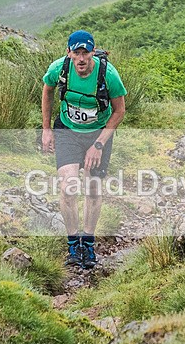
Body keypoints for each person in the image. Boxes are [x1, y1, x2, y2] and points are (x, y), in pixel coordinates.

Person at [41, 30, 127, 268]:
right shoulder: (59, 68)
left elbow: (120, 110)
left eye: (85, 53)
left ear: (92, 52)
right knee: (68, 187)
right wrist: (46, 128)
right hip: (68, 131)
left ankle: (88, 244)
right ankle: (72, 246)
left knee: (92, 189)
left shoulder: (107, 74)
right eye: (76, 53)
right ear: (68, 52)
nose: (81, 59)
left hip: (98, 133)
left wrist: (98, 145)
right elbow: (47, 90)